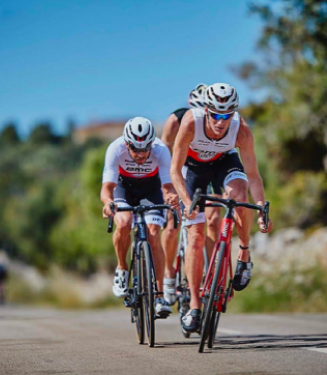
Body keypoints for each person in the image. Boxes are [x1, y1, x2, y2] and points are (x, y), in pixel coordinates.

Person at [170, 83, 274, 333]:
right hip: (193, 167)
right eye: (216, 114)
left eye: (227, 115)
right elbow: (175, 170)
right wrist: (187, 203)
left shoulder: (241, 130)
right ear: (206, 110)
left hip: (224, 162)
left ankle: (244, 253)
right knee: (195, 235)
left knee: (240, 193)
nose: (221, 121)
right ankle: (194, 305)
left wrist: (261, 208)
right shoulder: (190, 123)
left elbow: (254, 175)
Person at [101, 117, 179, 318]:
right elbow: (106, 189)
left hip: (150, 190)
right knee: (124, 223)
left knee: (154, 235)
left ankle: (160, 296)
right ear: (127, 144)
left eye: (146, 149)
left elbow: (168, 186)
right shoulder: (115, 149)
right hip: (123, 189)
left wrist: (171, 197)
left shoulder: (161, 150)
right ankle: (122, 268)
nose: (141, 154)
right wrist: (108, 203)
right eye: (135, 149)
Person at [160, 84, 230, 304]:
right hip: (182, 168)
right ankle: (169, 273)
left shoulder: (220, 125)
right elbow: (163, 155)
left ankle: (211, 275)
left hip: (209, 167)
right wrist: (167, 188)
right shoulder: (177, 120)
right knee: (172, 225)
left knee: (214, 218)